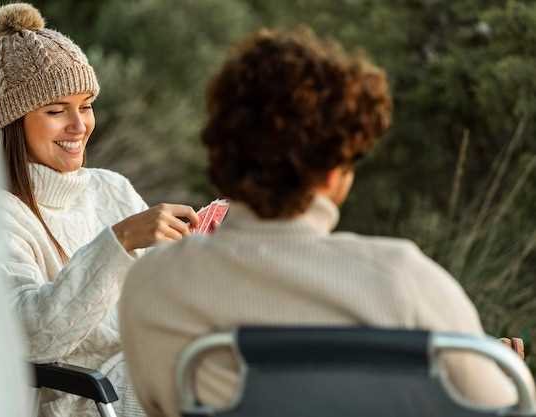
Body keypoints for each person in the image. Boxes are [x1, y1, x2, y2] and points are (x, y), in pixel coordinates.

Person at [119, 28, 517, 417]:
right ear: (333, 174)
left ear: (223, 152)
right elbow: (502, 407)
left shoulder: (155, 284)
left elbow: (155, 403)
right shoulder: (405, 281)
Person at [0, 3, 198, 417]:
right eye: (55, 111)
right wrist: (119, 241)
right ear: (15, 123)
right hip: (84, 400)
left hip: (152, 369)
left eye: (85, 105)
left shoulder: (110, 188)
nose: (79, 125)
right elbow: (32, 335)